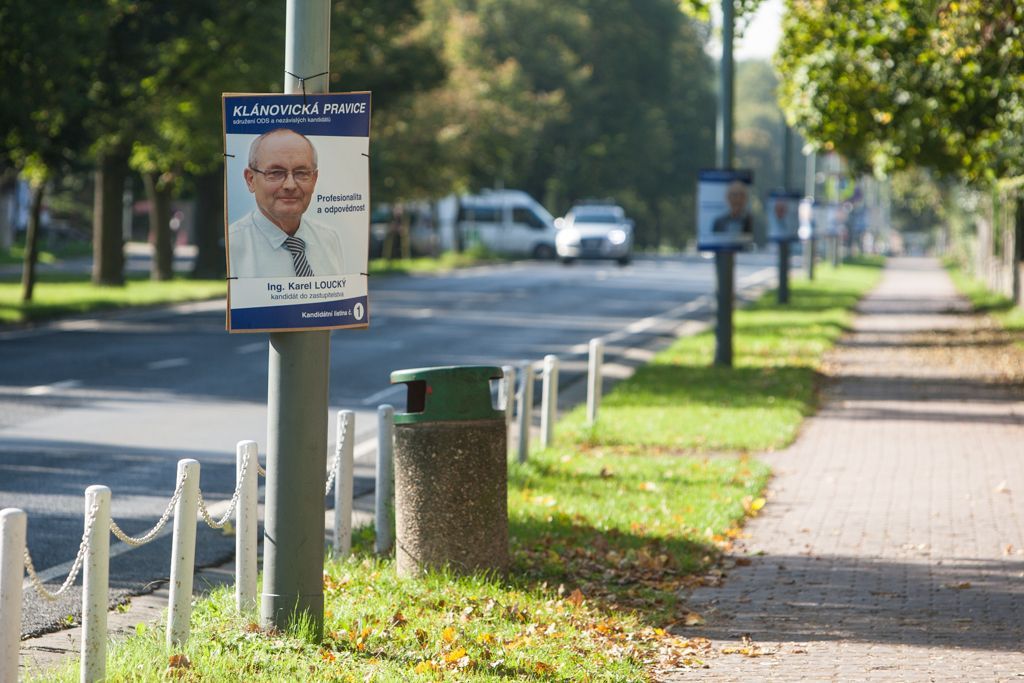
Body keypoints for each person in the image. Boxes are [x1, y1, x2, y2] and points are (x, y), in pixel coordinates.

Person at [228, 128, 346, 278]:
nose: (290, 185)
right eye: (275, 173)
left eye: (301, 173)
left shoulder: (329, 239)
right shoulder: (231, 246)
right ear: (251, 180)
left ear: (314, 179)